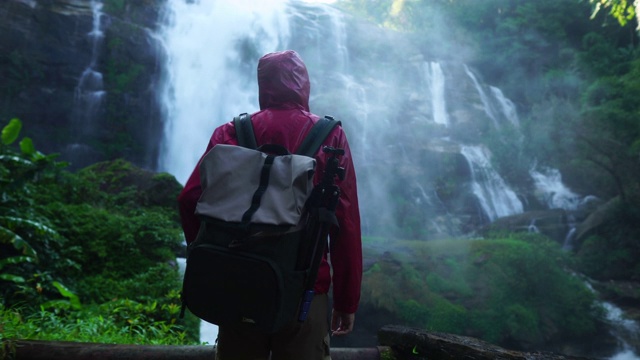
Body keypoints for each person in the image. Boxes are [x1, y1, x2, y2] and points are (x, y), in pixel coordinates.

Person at [177, 50, 362, 360]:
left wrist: (213, 256)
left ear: (263, 86)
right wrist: (346, 301)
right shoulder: (330, 137)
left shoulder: (230, 132)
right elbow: (345, 221)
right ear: (304, 85)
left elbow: (189, 199)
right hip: (305, 289)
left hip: (239, 282)